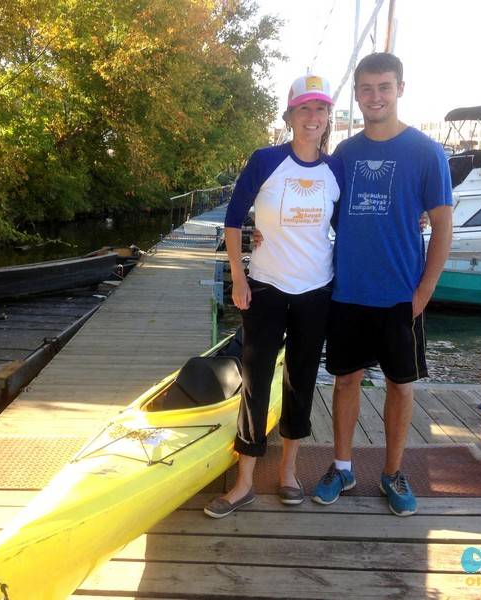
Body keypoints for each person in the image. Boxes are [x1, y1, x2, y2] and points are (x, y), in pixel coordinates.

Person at [311, 52, 453, 517]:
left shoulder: (426, 152)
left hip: (401, 296)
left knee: (400, 386)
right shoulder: (345, 155)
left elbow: (443, 227)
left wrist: (423, 293)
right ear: (357, 95)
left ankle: (393, 473)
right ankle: (343, 466)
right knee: (345, 380)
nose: (376, 97)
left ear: (400, 89)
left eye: (384, 87)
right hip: (348, 291)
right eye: (367, 89)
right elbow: (318, 216)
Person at [203, 74, 344, 518]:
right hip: (265, 288)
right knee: (255, 382)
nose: (313, 117)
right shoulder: (265, 161)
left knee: (300, 382)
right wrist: (239, 278)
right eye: (304, 109)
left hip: (316, 291)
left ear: (328, 118)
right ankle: (244, 481)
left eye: (320, 109)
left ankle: (288, 472)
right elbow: (231, 220)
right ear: (290, 116)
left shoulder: (335, 169)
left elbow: (349, 229)